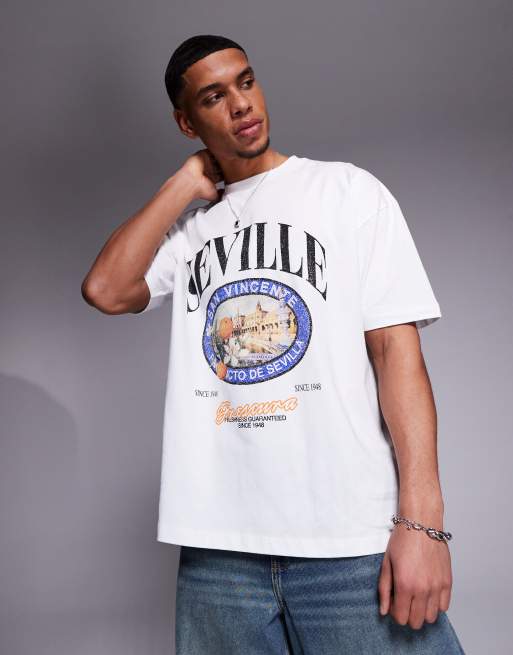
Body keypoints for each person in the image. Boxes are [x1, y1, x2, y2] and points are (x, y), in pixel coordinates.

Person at [81, 34, 466, 654]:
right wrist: (184, 183)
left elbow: (397, 354)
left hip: (347, 540)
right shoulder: (190, 231)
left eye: (246, 81)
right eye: (213, 97)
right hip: (218, 555)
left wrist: (423, 522)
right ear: (187, 123)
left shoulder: (347, 192)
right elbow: (105, 289)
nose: (241, 104)